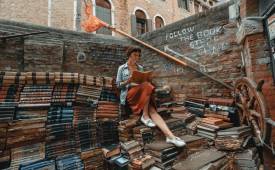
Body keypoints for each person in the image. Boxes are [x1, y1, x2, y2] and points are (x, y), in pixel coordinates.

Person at [116, 47, 186, 147]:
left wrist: (147, 78)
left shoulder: (140, 67)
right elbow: (118, 85)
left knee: (153, 111)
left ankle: (170, 137)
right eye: (135, 55)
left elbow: (143, 81)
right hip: (130, 94)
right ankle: (145, 116)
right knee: (147, 86)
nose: (137, 57)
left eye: (139, 55)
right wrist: (128, 81)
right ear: (129, 55)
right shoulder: (122, 68)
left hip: (142, 92)